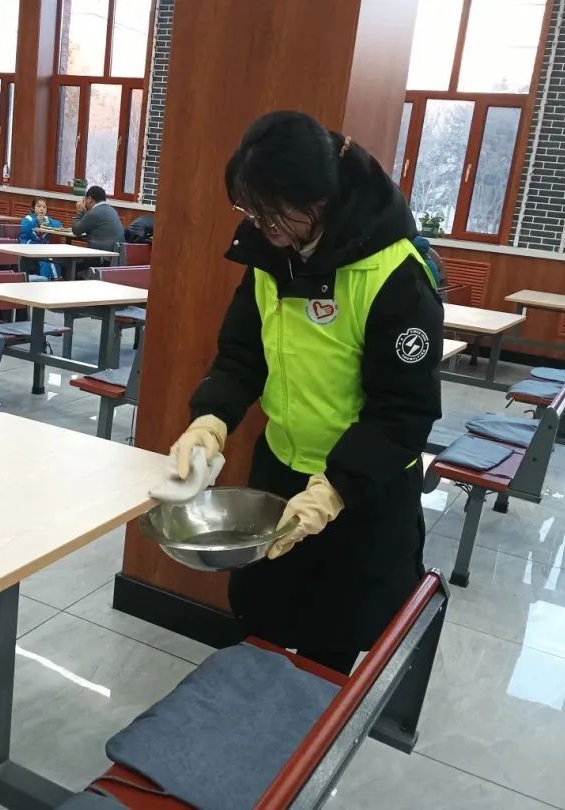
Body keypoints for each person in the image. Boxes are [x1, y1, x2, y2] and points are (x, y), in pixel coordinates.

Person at [167, 111, 444, 675]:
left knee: (331, 641)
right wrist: (210, 419)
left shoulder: (395, 274)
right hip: (281, 473)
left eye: (274, 211)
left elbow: (404, 413)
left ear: (320, 196)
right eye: (252, 210)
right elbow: (242, 356)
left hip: (358, 492)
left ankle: (314, 727)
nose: (262, 224)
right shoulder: (270, 255)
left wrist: (334, 489)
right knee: (261, 613)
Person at [72, 185, 125, 275]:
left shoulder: (94, 212)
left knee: (69, 266)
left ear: (89, 199)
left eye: (85, 200)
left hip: (100, 260)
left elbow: (76, 230)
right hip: (114, 259)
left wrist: (79, 210)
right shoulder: (111, 210)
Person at [18, 198, 64, 280]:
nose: (42, 209)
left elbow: (59, 224)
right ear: (33, 208)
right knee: (46, 260)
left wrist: (49, 223)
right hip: (29, 245)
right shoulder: (27, 219)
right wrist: (36, 221)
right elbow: (24, 230)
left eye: (44, 207)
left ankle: (55, 279)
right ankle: (47, 280)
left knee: (54, 258)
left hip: (42, 247)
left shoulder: (46, 219)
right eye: (39, 206)